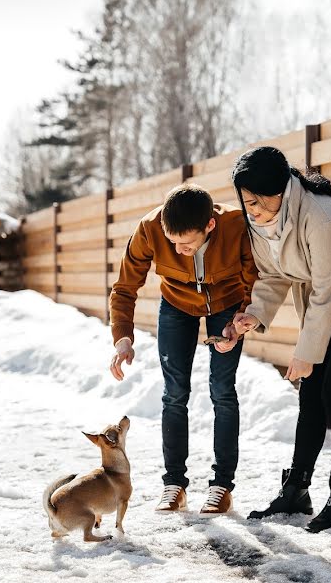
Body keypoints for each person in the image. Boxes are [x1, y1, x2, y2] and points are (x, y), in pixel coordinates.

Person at [221, 146, 331, 533]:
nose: (252, 210)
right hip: (324, 305)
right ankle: (296, 489)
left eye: (257, 201)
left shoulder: (323, 217)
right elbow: (275, 274)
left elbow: (329, 289)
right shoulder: (263, 221)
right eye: (246, 202)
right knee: (310, 394)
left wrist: (305, 354)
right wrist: (256, 313)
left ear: (280, 189)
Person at [108, 183, 257, 516]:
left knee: (222, 389)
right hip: (176, 303)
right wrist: (123, 337)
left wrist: (240, 323)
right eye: (172, 242)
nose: (178, 249)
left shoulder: (235, 225)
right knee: (174, 393)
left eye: (187, 243)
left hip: (227, 303)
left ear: (209, 226)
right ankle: (174, 484)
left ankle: (222, 486)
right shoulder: (149, 228)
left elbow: (254, 279)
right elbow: (125, 286)